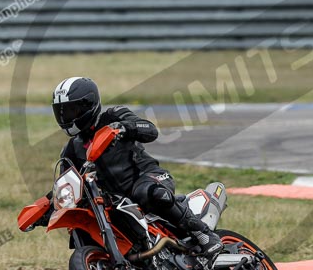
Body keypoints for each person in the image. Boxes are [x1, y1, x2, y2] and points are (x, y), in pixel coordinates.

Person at [28, 76, 222, 257]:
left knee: (148, 192)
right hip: (114, 199)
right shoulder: (71, 149)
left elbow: (150, 130)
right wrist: (41, 212)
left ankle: (202, 233)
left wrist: (125, 128)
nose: (66, 117)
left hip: (147, 176)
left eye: (71, 110)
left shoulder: (114, 115)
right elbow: (66, 186)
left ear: (89, 105)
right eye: (61, 112)